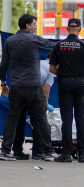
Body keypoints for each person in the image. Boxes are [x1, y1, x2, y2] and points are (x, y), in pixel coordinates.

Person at [0, 14, 57, 161]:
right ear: (27, 26)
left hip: (17, 87)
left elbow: (3, 65)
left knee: (12, 119)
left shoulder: (10, 41)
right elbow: (52, 45)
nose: (35, 26)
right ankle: (48, 152)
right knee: (41, 119)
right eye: (34, 24)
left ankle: (5, 151)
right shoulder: (34, 39)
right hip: (34, 87)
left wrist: (3, 84)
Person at [50, 18, 84, 163]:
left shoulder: (59, 45)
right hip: (81, 83)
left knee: (66, 119)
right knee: (81, 118)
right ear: (80, 29)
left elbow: (52, 68)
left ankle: (66, 154)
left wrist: (62, 72)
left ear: (67, 29)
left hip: (65, 83)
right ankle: (82, 154)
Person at [12, 51, 56, 160]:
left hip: (19, 89)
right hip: (33, 93)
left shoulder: (39, 62)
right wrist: (45, 106)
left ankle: (17, 151)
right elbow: (46, 91)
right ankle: (38, 151)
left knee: (19, 122)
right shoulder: (52, 69)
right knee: (38, 122)